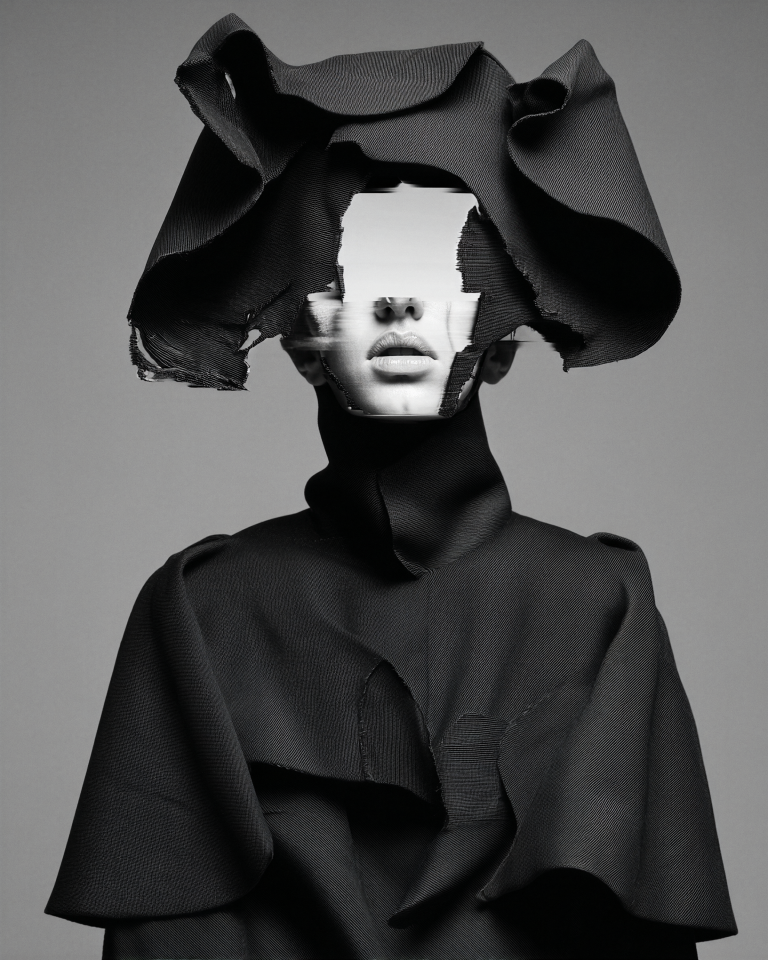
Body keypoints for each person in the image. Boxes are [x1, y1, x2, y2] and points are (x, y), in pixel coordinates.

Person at [45, 14, 737, 959]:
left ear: (496, 341)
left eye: (436, 273)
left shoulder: (599, 609)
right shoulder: (206, 613)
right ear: (299, 339)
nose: (399, 305)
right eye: (357, 276)